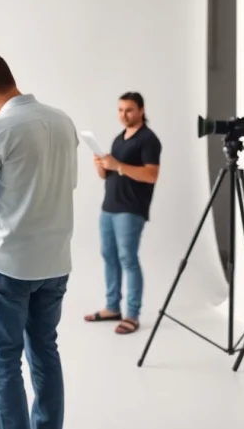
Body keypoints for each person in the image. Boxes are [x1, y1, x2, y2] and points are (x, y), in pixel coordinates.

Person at [0, 50, 78, 429]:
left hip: (9, 264)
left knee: (5, 360)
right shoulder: (62, 121)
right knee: (45, 351)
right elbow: (67, 184)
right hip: (56, 262)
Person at [85, 92, 161, 335]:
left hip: (131, 209)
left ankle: (132, 314)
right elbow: (108, 176)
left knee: (128, 259)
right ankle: (111, 307)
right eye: (120, 110)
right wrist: (101, 166)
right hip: (109, 207)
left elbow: (151, 175)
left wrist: (117, 165)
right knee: (109, 256)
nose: (123, 114)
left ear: (141, 110)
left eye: (128, 110)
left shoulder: (149, 140)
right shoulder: (119, 139)